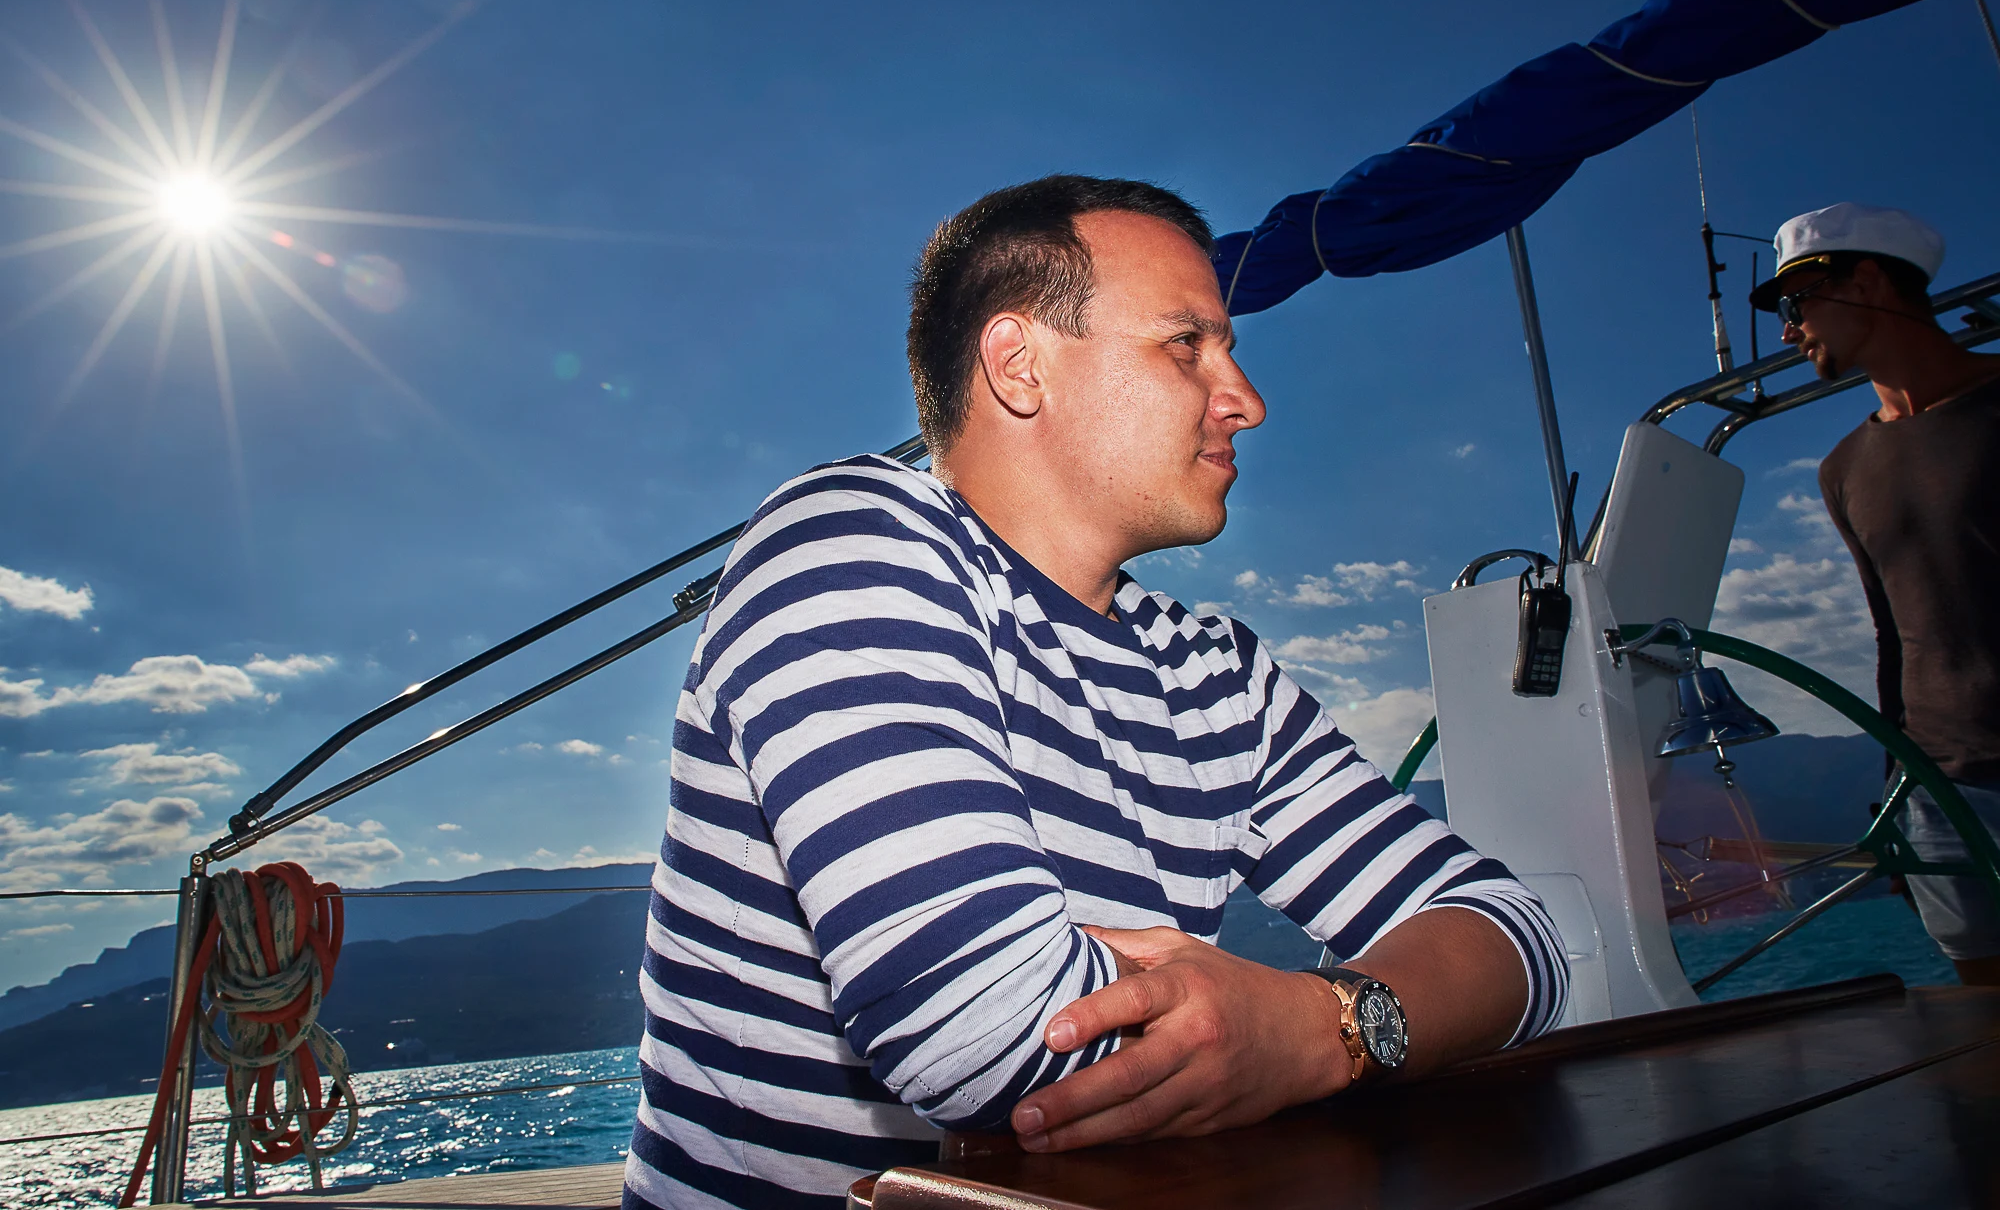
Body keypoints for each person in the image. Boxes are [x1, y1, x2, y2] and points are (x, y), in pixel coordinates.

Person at [623, 175, 1569, 1210]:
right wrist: (1317, 1015)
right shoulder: (845, 542)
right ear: (1018, 364)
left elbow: (1515, 935)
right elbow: (983, 1031)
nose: (1244, 398)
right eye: (1185, 344)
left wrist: (1319, 1028)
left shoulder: (1213, 673)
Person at [1750, 200, 2000, 988]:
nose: (1788, 330)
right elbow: (1892, 637)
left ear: (1868, 281)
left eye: (1796, 303)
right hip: (1946, 791)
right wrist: (1900, 792)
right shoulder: (1844, 467)